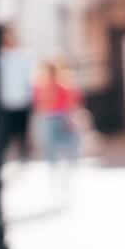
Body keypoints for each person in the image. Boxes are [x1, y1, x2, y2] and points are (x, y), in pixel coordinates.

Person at [32, 57, 85, 190]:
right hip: (50, 118)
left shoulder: (66, 84)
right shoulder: (41, 86)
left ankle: (66, 177)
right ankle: (54, 177)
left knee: (70, 147)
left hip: (63, 117)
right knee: (51, 149)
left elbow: (74, 102)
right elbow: (39, 106)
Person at [0, 26, 34, 162]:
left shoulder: (23, 57)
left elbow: (29, 80)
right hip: (5, 103)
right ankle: (6, 160)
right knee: (5, 135)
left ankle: (22, 160)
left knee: (21, 135)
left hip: (22, 102)